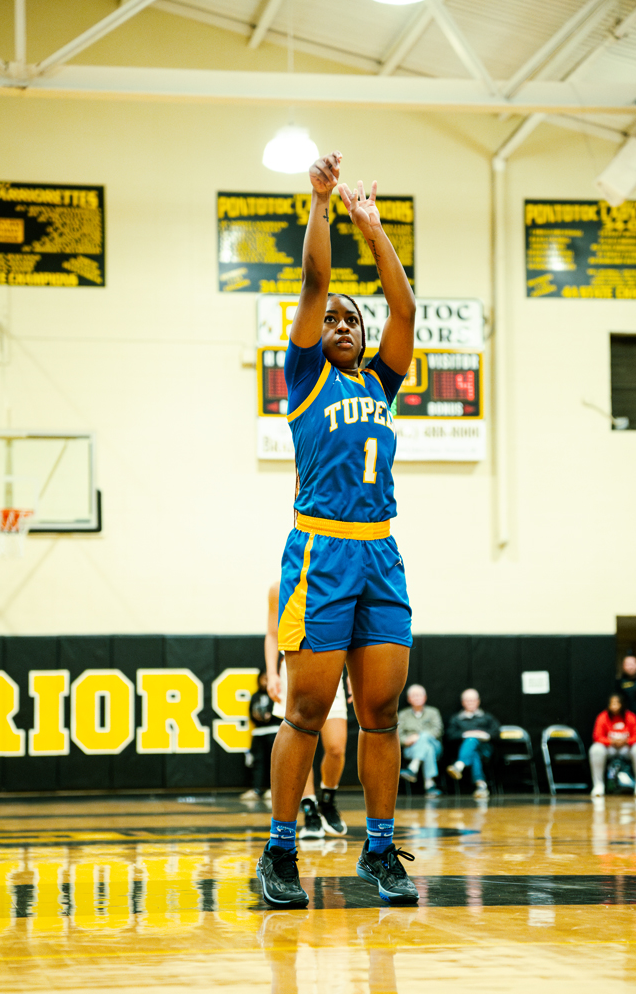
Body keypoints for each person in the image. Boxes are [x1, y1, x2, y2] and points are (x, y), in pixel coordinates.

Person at [255, 151, 418, 909]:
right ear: (319, 334)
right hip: (320, 551)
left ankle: (379, 852)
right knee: (307, 712)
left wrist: (375, 230)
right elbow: (317, 283)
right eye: (337, 320)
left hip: (380, 552)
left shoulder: (380, 384)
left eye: (355, 318)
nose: (345, 323)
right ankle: (280, 852)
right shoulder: (306, 377)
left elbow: (405, 313)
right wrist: (321, 204)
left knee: (381, 711)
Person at [265, 581, 350, 838]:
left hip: (332, 667)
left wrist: (354, 675)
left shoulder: (337, 579)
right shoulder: (280, 586)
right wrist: (271, 673)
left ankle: (327, 799)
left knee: (336, 748)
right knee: (302, 745)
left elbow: (354, 631)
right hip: (294, 669)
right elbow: (272, 633)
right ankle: (309, 806)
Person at [589, 693, 636, 797]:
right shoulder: (602, 717)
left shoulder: (631, 717)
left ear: (622, 704)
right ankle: (598, 785)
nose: (614, 706)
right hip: (610, 748)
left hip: (626, 748)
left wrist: (625, 741)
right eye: (612, 704)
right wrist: (611, 741)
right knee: (595, 749)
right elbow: (597, 737)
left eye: (617, 703)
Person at [445, 689, 500, 799]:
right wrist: (466, 734)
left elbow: (497, 732)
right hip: (462, 749)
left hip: (486, 750)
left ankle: (459, 765)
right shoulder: (456, 719)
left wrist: (482, 735)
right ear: (463, 702)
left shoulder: (487, 717)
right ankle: (481, 786)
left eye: (473, 700)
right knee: (473, 750)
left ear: (478, 701)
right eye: (467, 700)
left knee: (473, 740)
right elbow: (450, 735)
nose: (470, 703)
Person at [241, 671, 282, 801]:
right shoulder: (255, 696)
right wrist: (257, 716)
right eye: (263, 679)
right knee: (257, 762)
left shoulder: (276, 695)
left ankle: (273, 790)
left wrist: (270, 716)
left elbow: (281, 713)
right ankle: (256, 789)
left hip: (273, 731)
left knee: (274, 762)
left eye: (267, 679)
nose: (264, 682)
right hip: (258, 733)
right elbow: (250, 714)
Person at [398, 684, 444, 797]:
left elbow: (437, 731)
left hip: (435, 745)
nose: (417, 698)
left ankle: (413, 767)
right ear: (409, 699)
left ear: (425, 697)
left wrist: (419, 736)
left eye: (419, 695)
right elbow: (398, 735)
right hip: (411, 748)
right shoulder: (403, 714)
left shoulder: (433, 712)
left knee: (425, 737)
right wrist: (406, 740)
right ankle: (429, 784)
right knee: (428, 749)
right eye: (414, 696)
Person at [615, 655, 636, 726]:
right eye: (628, 665)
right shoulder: (619, 683)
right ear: (623, 667)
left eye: (632, 664)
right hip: (627, 719)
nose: (631, 667)